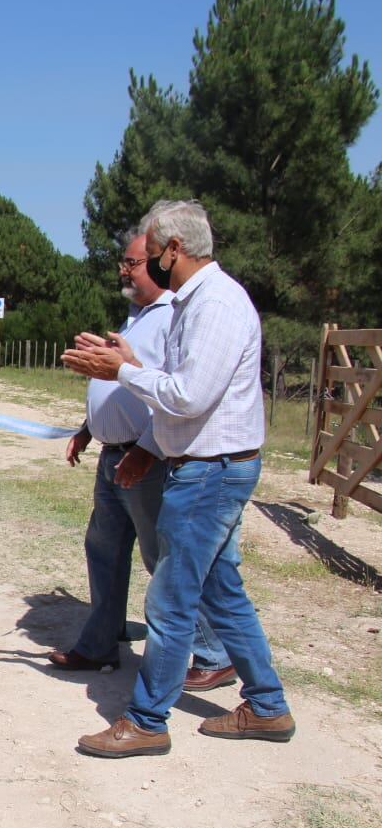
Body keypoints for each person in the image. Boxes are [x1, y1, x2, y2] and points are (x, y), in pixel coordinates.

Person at [62, 200, 294, 758]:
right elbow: (179, 380)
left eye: (150, 250)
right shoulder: (197, 302)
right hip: (207, 467)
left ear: (173, 250)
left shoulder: (214, 304)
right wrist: (130, 360)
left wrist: (120, 371)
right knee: (222, 592)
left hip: (210, 471)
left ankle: (146, 719)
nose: (139, 265)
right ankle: (267, 706)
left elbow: (190, 397)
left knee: (169, 600)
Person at [49, 234, 231, 686]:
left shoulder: (175, 318)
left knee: (164, 559)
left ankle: (213, 654)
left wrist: (146, 450)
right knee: (104, 552)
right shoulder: (137, 319)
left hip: (146, 460)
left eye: (132, 263)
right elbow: (121, 383)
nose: (123, 270)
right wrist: (89, 427)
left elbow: (174, 394)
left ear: (157, 263)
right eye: (123, 262)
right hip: (114, 458)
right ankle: (99, 644)